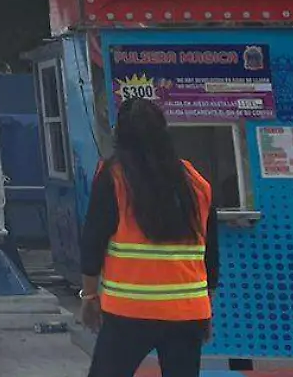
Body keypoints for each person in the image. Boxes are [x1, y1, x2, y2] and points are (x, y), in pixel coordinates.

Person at [79, 98, 218, 377]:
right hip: (187, 312)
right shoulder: (195, 182)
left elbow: (92, 241)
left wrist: (90, 296)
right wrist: (205, 308)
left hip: (128, 312)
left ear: (121, 135)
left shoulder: (113, 177)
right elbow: (210, 254)